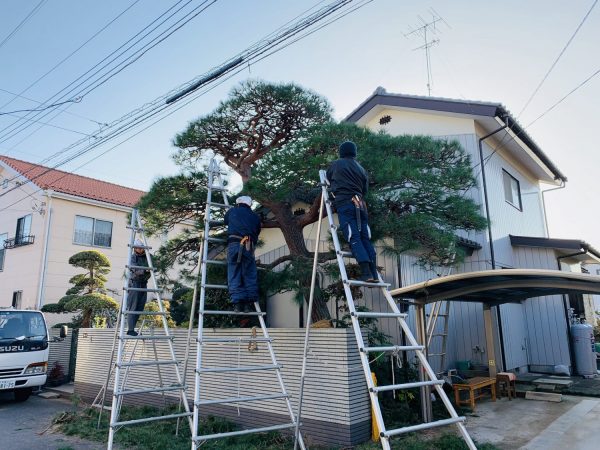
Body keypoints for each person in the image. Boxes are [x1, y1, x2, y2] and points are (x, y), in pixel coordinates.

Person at [326, 141, 379, 282]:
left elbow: (328, 178)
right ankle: (374, 273)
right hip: (361, 204)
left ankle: (366, 273)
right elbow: (365, 190)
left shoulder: (337, 164)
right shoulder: (361, 169)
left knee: (353, 236)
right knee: (364, 237)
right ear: (354, 152)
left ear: (342, 152)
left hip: (346, 203)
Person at [224, 196, 261, 313]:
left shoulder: (232, 211)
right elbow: (258, 230)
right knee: (249, 273)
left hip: (234, 244)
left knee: (234, 272)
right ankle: (248, 305)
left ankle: (237, 304)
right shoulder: (255, 216)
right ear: (249, 204)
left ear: (238, 203)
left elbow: (225, 221)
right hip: (248, 246)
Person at [126, 239, 152, 336]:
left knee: (140, 306)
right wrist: (145, 270)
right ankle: (130, 329)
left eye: (140, 248)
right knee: (133, 306)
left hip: (143, 283)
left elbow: (154, 264)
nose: (139, 249)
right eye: (137, 248)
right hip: (134, 283)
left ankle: (133, 328)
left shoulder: (148, 257)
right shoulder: (133, 257)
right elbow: (135, 269)